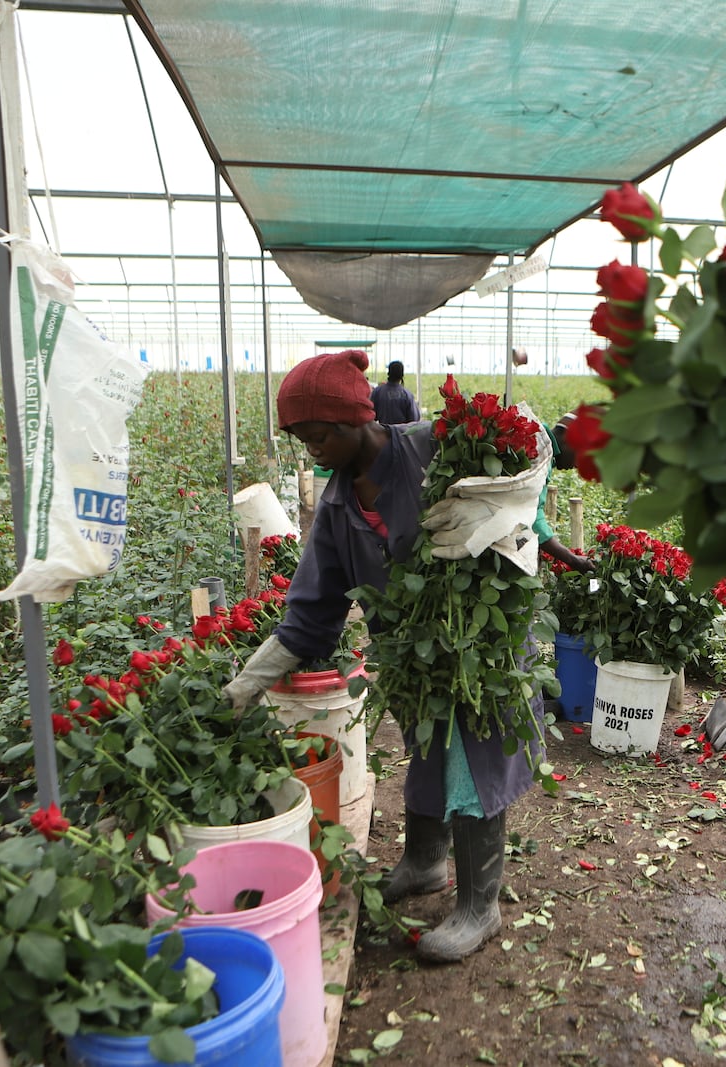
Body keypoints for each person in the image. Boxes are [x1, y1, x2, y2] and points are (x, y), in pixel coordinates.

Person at [222, 348, 543, 963]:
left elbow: (526, 473)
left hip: (479, 644)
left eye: (318, 436)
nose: (312, 451)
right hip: (417, 655)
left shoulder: (432, 448)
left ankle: (481, 906)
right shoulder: (338, 507)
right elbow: (311, 610)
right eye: (301, 440)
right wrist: (246, 684)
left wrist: (487, 515)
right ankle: (425, 863)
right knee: (427, 752)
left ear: (354, 422)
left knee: (473, 761)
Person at [538, 413, 596, 574]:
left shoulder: (538, 439)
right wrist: (573, 559)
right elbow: (532, 519)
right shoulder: (538, 456)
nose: (578, 464)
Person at [369, 359, 421, 425]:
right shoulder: (407, 394)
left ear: (388, 373)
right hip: (401, 434)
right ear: (402, 375)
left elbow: (370, 416)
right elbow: (414, 419)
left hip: (382, 433)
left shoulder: (378, 392)